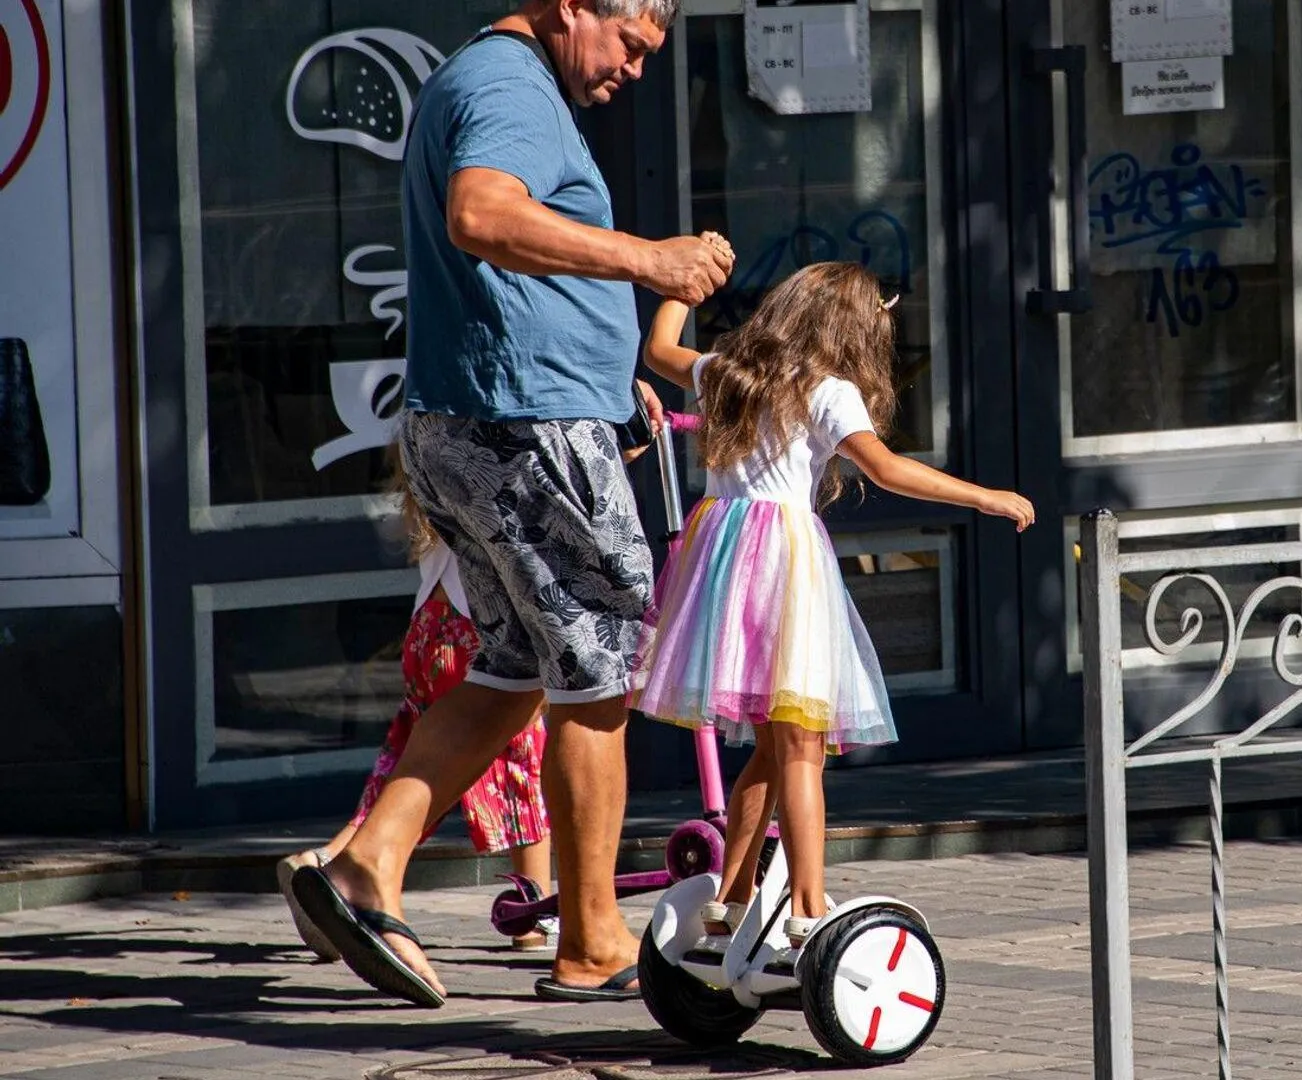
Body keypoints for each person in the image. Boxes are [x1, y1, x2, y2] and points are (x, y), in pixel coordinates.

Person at [287, 0, 735, 1008]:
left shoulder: (487, 80)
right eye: (630, 45)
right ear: (575, 5)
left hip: (478, 419)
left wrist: (609, 366)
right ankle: (591, 939)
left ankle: (367, 865)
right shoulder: (508, 86)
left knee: (514, 668)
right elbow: (482, 215)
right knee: (599, 672)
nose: (633, 72)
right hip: (526, 427)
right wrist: (646, 258)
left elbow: (506, 259)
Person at [632, 262, 1034, 954]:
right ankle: (809, 909)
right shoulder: (828, 390)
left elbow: (659, 350)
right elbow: (887, 469)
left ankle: (731, 898)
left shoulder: (727, 369)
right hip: (785, 562)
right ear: (849, 327)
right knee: (803, 747)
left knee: (771, 738)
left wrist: (680, 285)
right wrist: (983, 496)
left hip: (722, 559)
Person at [276, 451, 570, 963]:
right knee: (521, 763)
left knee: (416, 771)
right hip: (475, 630)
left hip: (431, 629)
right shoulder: (487, 476)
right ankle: (534, 915)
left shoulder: (430, 467)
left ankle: (326, 864)